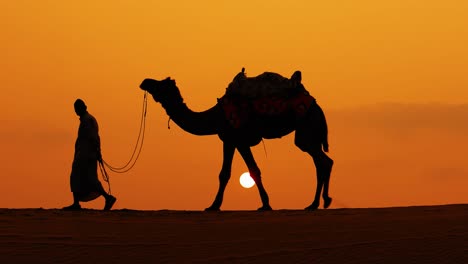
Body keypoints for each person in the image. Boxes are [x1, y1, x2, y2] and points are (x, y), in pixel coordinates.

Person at [63, 99, 117, 211]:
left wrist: (98, 152)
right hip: (84, 153)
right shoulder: (87, 120)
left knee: (86, 178)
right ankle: (77, 203)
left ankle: (107, 198)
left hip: (86, 155)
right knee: (81, 177)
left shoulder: (88, 120)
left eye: (77, 108)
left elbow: (94, 138)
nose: (76, 111)